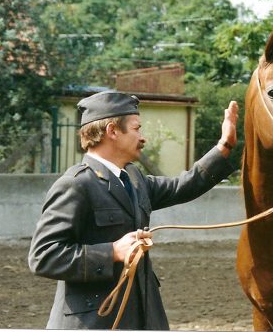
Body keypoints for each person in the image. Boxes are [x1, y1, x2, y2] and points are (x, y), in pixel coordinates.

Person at [28, 90, 238, 330]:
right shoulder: (76, 184)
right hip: (94, 323)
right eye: (137, 128)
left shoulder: (134, 178)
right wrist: (112, 252)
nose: (143, 137)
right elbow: (43, 256)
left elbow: (183, 186)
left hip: (142, 318)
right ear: (112, 131)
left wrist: (224, 146)